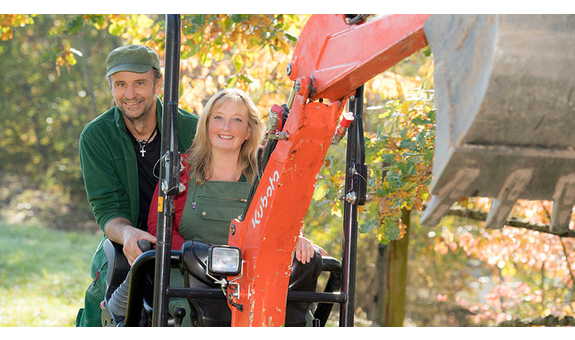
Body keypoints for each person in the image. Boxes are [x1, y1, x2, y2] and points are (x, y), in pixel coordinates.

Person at [76, 45, 199, 327]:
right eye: (121, 84)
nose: (130, 94)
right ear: (111, 87)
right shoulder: (97, 136)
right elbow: (108, 209)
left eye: (139, 83)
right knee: (104, 306)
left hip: (185, 244)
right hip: (126, 244)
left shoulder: (194, 131)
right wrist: (128, 234)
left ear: (158, 83)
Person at [147, 88, 323, 262]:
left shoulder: (265, 176)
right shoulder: (180, 170)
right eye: (218, 117)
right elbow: (158, 228)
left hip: (249, 281)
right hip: (186, 279)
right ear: (206, 124)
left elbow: (284, 223)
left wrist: (297, 239)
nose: (226, 127)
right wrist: (199, 258)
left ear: (248, 131)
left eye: (237, 120)